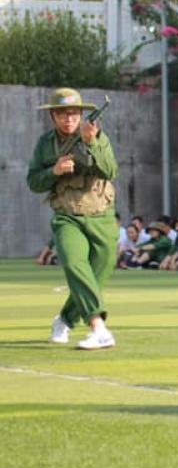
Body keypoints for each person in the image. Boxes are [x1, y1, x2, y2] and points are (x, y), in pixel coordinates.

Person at [26, 87, 118, 350]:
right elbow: (33, 181)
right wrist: (54, 171)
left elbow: (110, 170)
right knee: (76, 265)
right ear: (53, 117)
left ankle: (64, 319)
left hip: (101, 215)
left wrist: (92, 143)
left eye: (74, 114)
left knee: (96, 277)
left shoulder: (97, 135)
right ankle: (98, 328)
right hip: (67, 217)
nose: (69, 119)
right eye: (63, 114)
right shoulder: (45, 144)